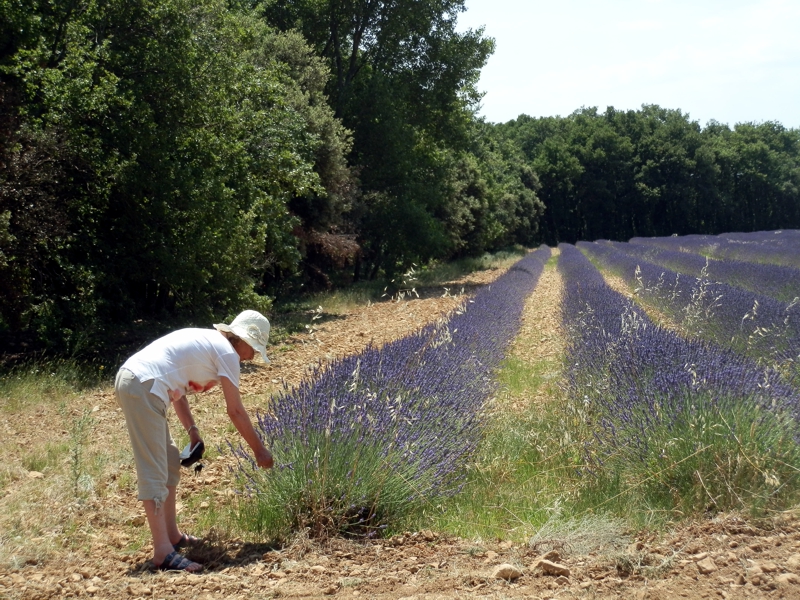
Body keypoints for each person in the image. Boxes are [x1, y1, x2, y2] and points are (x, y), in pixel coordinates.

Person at [114, 310, 274, 573]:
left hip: (141, 382)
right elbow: (235, 411)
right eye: (255, 347)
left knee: (169, 459)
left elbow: (179, 391)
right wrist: (260, 451)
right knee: (154, 467)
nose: (254, 354)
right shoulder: (226, 353)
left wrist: (193, 431)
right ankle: (162, 552)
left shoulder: (211, 343)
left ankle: (173, 536)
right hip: (142, 385)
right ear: (242, 339)